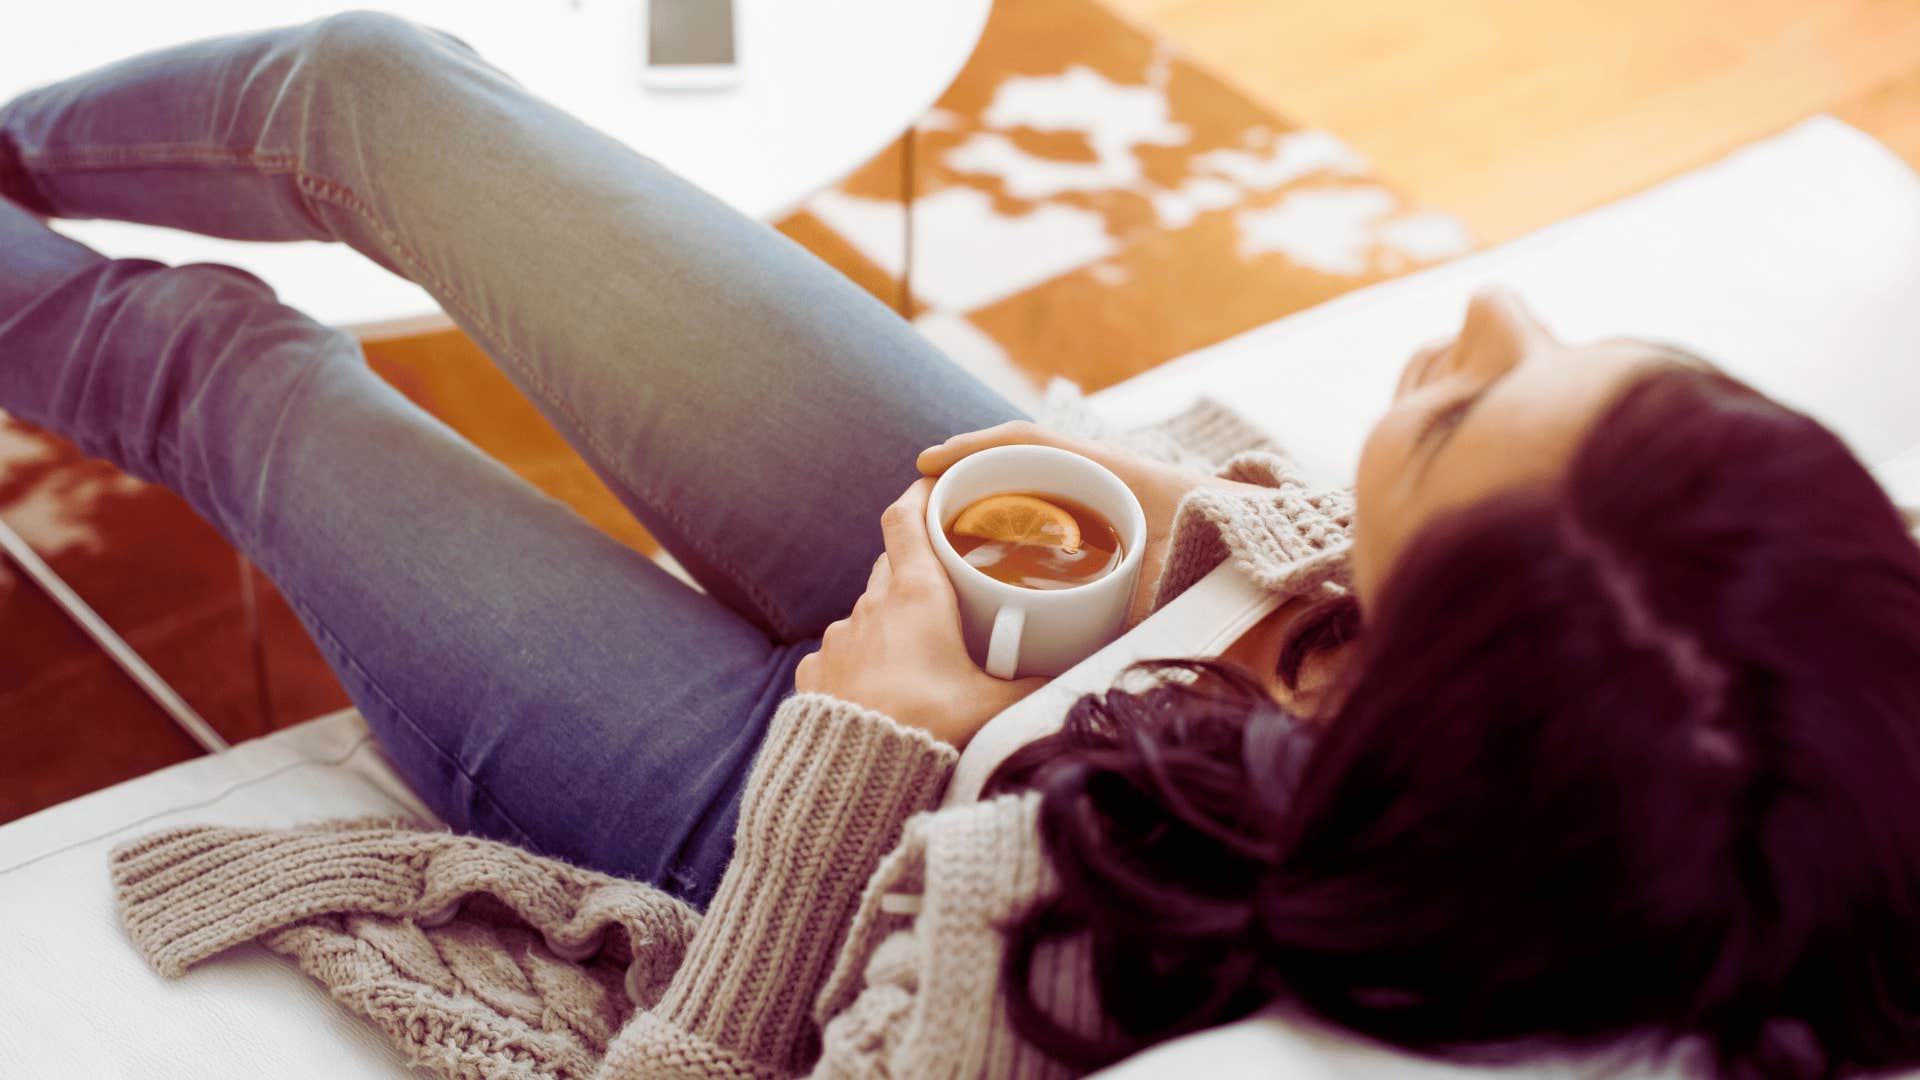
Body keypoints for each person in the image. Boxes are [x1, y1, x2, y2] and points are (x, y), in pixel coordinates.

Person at [7, 13, 1919, 1080]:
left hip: (796, 819)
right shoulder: (1750, 715)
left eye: (1448, 416)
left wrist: (868, 746)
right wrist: (1240, 568)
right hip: (1099, 604)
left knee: (223, 367)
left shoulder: (1071, 973)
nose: (1485, 316)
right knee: (376, 88)